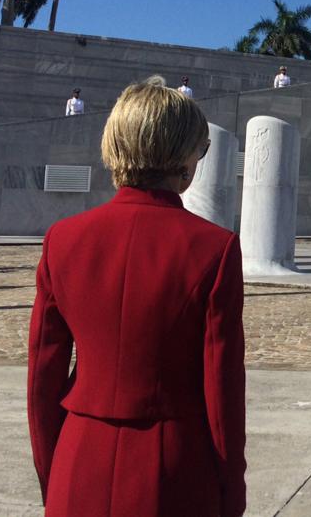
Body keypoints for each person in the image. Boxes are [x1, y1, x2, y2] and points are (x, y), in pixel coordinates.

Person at [27, 76, 245, 517]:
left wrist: (54, 473)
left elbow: (41, 382)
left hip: (78, 457)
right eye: (199, 151)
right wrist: (229, 494)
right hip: (174, 472)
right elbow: (223, 395)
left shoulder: (62, 240)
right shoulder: (214, 249)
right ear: (183, 157)